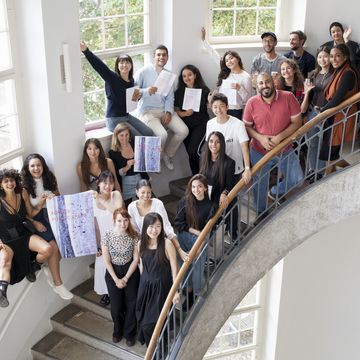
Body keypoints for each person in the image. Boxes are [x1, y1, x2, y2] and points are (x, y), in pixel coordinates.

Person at [243, 72, 304, 216]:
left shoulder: (288, 97)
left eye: (267, 81)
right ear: (256, 86)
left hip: (285, 148)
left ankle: (275, 192)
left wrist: (279, 138)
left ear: (273, 82)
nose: (265, 85)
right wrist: (260, 138)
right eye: (261, 83)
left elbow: (297, 122)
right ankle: (261, 212)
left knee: (298, 179)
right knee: (259, 185)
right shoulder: (251, 103)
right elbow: (246, 127)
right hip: (259, 151)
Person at [0, 169, 57, 307]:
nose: (10, 183)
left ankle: (32, 267)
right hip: (7, 240)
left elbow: (30, 212)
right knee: (5, 262)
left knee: (48, 249)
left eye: (12, 180)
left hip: (24, 234)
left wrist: (41, 203)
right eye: (6, 181)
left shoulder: (22, 192)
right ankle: (2, 293)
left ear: (16, 181)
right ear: (1, 184)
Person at [21, 154, 73, 300]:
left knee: (64, 245)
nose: (36, 168)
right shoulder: (24, 188)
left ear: (43, 166)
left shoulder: (50, 178)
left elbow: (59, 196)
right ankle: (58, 283)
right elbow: (25, 213)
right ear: (27, 168)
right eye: (32, 166)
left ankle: (50, 269)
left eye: (38, 165)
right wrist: (35, 222)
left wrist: (54, 198)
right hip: (37, 219)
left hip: (52, 215)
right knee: (53, 247)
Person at [80, 41, 153, 136]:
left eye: (127, 62)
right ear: (117, 66)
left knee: (149, 132)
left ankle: (154, 150)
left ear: (131, 65)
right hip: (114, 119)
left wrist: (138, 96)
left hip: (126, 116)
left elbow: (130, 102)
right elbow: (99, 66)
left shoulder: (132, 81)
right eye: (121, 63)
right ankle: (144, 151)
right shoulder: (113, 78)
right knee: (138, 138)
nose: (124, 65)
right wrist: (86, 51)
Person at [135, 45, 189, 170]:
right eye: (158, 54)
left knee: (183, 130)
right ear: (153, 56)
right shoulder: (142, 72)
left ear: (167, 57)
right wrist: (146, 91)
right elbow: (134, 94)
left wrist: (169, 112)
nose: (161, 57)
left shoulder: (169, 74)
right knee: (162, 135)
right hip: (147, 111)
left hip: (163, 109)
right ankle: (157, 158)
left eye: (164, 55)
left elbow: (170, 97)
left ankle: (167, 154)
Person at [136, 212, 180, 346]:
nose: (154, 230)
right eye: (151, 226)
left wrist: (175, 291)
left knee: (154, 322)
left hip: (162, 285)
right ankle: (154, 346)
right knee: (143, 318)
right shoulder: (140, 244)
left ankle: (161, 347)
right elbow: (141, 265)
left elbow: (174, 268)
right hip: (145, 285)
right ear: (145, 228)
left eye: (158, 226)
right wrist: (144, 281)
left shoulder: (166, 244)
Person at [174, 174, 215, 304]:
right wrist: (197, 232)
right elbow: (179, 223)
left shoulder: (211, 206)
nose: (196, 190)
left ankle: (196, 295)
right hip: (184, 237)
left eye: (199, 187)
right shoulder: (185, 201)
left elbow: (210, 228)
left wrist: (201, 239)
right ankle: (189, 290)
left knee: (198, 267)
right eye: (193, 187)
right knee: (183, 265)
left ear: (204, 188)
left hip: (201, 240)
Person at [319, 44, 359, 175]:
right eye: (331, 56)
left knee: (331, 152)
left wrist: (321, 113)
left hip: (341, 117)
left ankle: (326, 179)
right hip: (333, 115)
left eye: (337, 56)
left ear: (345, 57)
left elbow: (336, 100)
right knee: (330, 153)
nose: (333, 59)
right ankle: (352, 169)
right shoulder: (339, 70)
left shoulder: (348, 74)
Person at [102, 208, 140, 346]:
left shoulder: (134, 235)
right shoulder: (107, 235)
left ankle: (130, 333)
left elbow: (136, 259)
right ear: (114, 221)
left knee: (132, 303)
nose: (123, 223)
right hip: (113, 272)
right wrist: (117, 279)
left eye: (125, 220)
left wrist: (125, 278)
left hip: (130, 271)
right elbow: (106, 260)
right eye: (119, 220)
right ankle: (117, 330)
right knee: (116, 306)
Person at [128, 179, 188, 261]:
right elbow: (135, 232)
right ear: (137, 192)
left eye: (149, 192)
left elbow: (167, 227)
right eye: (143, 192)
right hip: (144, 244)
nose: (146, 195)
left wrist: (179, 249)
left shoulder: (158, 204)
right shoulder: (131, 207)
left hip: (160, 242)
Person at [201, 27, 252, 120]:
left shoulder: (246, 77)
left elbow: (248, 100)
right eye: (227, 60)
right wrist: (204, 41)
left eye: (231, 58)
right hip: (221, 108)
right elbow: (214, 55)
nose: (229, 61)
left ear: (238, 59)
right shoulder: (226, 72)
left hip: (235, 111)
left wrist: (239, 88)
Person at [302, 46, 334, 178]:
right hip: (313, 111)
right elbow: (307, 96)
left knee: (322, 144)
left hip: (326, 112)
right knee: (312, 142)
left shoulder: (335, 74)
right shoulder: (313, 74)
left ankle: (319, 172)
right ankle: (312, 170)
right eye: (320, 57)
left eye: (325, 56)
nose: (323, 59)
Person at [205, 93, 251, 184]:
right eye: (215, 107)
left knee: (232, 196)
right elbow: (209, 147)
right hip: (216, 167)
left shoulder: (238, 124)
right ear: (211, 108)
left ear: (227, 107)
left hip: (235, 168)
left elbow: (244, 147)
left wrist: (247, 168)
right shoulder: (210, 123)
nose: (218, 110)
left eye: (221, 106)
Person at [93, 171, 124, 306]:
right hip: (103, 239)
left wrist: (100, 199)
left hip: (118, 236)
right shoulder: (92, 200)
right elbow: (95, 226)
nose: (108, 186)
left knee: (119, 265)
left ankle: (119, 290)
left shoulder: (115, 195)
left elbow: (117, 212)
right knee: (102, 265)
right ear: (98, 183)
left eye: (110, 183)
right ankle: (107, 292)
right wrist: (97, 245)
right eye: (104, 182)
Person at [174, 64, 210, 174]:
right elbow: (175, 112)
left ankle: (204, 176)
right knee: (190, 153)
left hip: (201, 125)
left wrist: (211, 99)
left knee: (194, 151)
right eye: (184, 76)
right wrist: (185, 113)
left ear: (195, 75)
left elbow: (211, 106)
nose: (187, 78)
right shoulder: (179, 92)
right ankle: (196, 178)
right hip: (186, 127)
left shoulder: (204, 90)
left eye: (189, 75)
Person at [108, 123, 149, 207]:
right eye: (121, 135)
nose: (125, 138)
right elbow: (115, 174)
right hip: (126, 183)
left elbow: (147, 159)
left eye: (127, 135)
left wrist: (156, 152)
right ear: (116, 136)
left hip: (141, 179)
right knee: (130, 209)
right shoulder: (113, 152)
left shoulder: (136, 144)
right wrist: (127, 167)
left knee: (148, 205)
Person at [199, 132, 236, 209]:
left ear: (222, 144)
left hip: (217, 198)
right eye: (211, 141)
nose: (213, 144)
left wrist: (224, 193)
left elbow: (229, 185)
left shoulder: (229, 163)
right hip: (204, 195)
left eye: (217, 142)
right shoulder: (203, 157)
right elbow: (200, 177)